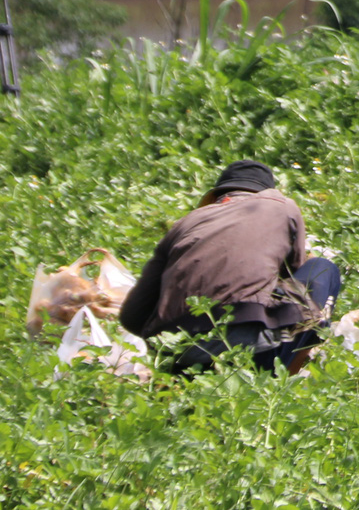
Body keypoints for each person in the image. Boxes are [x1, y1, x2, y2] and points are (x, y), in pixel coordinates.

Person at [119, 159, 342, 375]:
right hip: (245, 346)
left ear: (217, 197)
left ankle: (190, 378)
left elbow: (132, 316)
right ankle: (281, 378)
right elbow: (294, 272)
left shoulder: (186, 222)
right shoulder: (280, 205)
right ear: (265, 191)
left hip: (177, 353)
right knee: (322, 268)